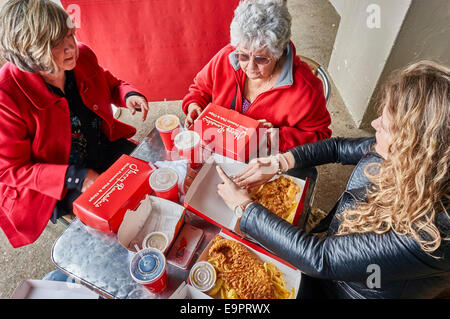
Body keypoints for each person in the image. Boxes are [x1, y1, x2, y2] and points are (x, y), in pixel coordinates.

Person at [216, 60, 450, 298]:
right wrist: (279, 162)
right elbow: (338, 147)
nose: (373, 124)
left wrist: (244, 207)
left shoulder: (434, 234)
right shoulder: (410, 156)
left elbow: (320, 257)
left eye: (386, 126)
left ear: (416, 146)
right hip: (332, 258)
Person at [0, 0, 149, 248]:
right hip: (57, 180)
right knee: (110, 222)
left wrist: (127, 94)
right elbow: (10, 170)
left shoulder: (82, 55)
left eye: (71, 33)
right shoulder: (6, 95)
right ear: (30, 52)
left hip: (99, 146)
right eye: (57, 44)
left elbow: (109, 82)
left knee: (148, 173)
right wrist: (76, 177)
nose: (72, 48)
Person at [182, 0, 331, 152]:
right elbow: (199, 89)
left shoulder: (306, 89)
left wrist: (275, 138)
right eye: (244, 56)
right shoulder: (227, 56)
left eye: (261, 59)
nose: (250, 67)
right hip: (217, 147)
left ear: (277, 53)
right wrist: (194, 105)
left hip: (263, 159)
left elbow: (320, 137)